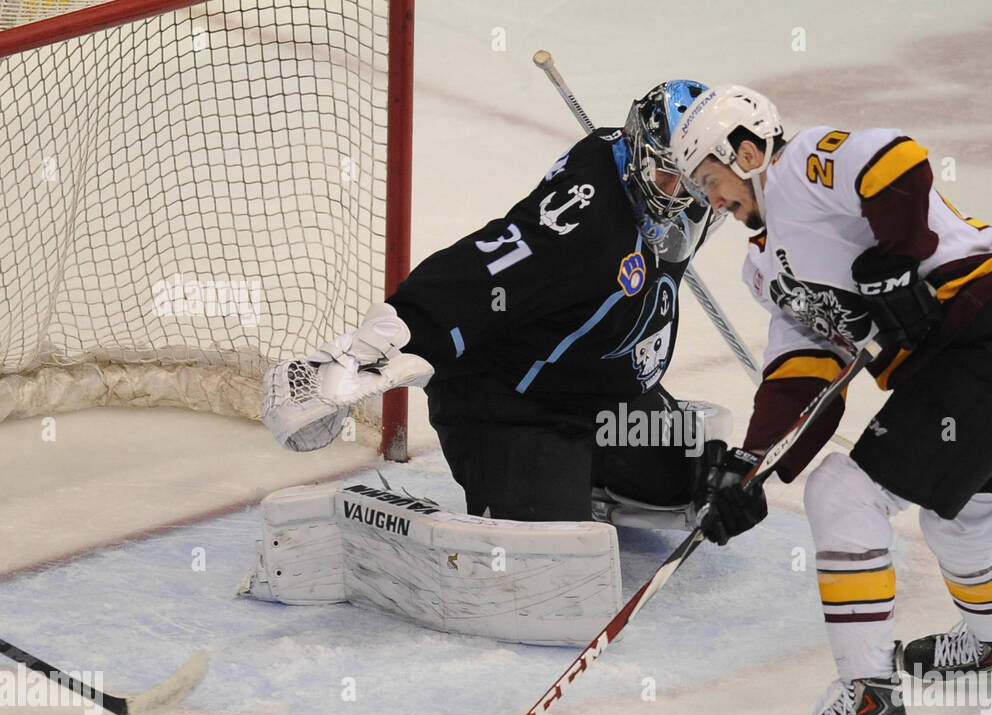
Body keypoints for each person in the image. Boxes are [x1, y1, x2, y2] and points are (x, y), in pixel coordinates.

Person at [670, 85, 992, 715]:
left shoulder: (800, 166)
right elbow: (803, 376)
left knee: (844, 491)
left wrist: (900, 252)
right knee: (964, 518)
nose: (712, 201)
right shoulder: (765, 270)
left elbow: (893, 159)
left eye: (712, 181)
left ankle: (869, 704)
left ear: (747, 152)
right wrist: (749, 470)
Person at [263, 80, 722, 525]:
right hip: (512, 403)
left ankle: (583, 471)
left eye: (696, 181)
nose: (681, 196)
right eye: (668, 176)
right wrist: (381, 339)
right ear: (640, 155)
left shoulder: (690, 195)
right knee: (547, 561)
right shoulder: (584, 228)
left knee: (692, 484)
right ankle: (536, 480)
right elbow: (483, 270)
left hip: (603, 396)